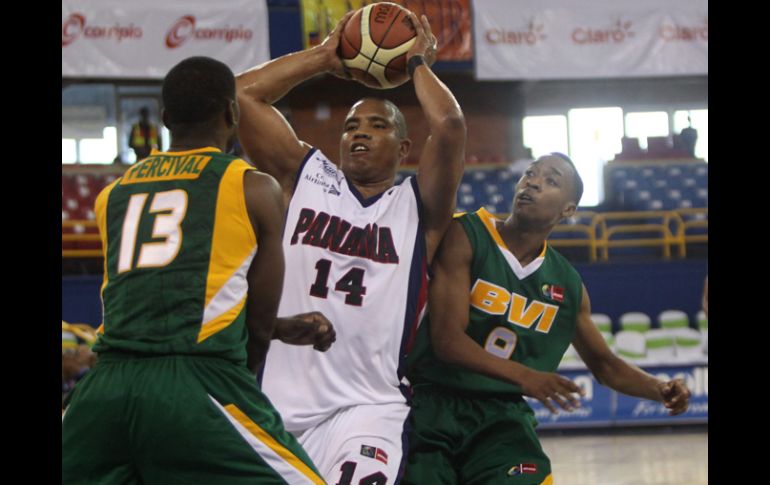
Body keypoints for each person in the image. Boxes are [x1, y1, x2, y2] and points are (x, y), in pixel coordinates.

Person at [62, 56, 334, 484]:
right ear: (232, 113)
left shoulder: (112, 195)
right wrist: (238, 386)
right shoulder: (254, 188)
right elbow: (257, 328)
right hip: (196, 384)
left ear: (166, 118)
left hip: (104, 389)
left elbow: (158, 289)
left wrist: (280, 327)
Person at [236, 11, 466, 484]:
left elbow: (449, 124)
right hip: (275, 405)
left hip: (368, 408)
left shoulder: (417, 206)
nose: (358, 131)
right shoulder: (306, 177)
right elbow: (238, 97)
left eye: (377, 125)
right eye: (350, 125)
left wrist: (418, 63)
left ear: (404, 149)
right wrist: (322, 58)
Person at [403, 153, 691, 484]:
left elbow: (606, 366)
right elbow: (447, 341)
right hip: (432, 403)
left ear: (568, 209)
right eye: (530, 173)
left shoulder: (567, 284)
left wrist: (661, 388)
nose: (533, 182)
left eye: (550, 180)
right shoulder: (466, 233)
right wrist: (526, 376)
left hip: (501, 417)